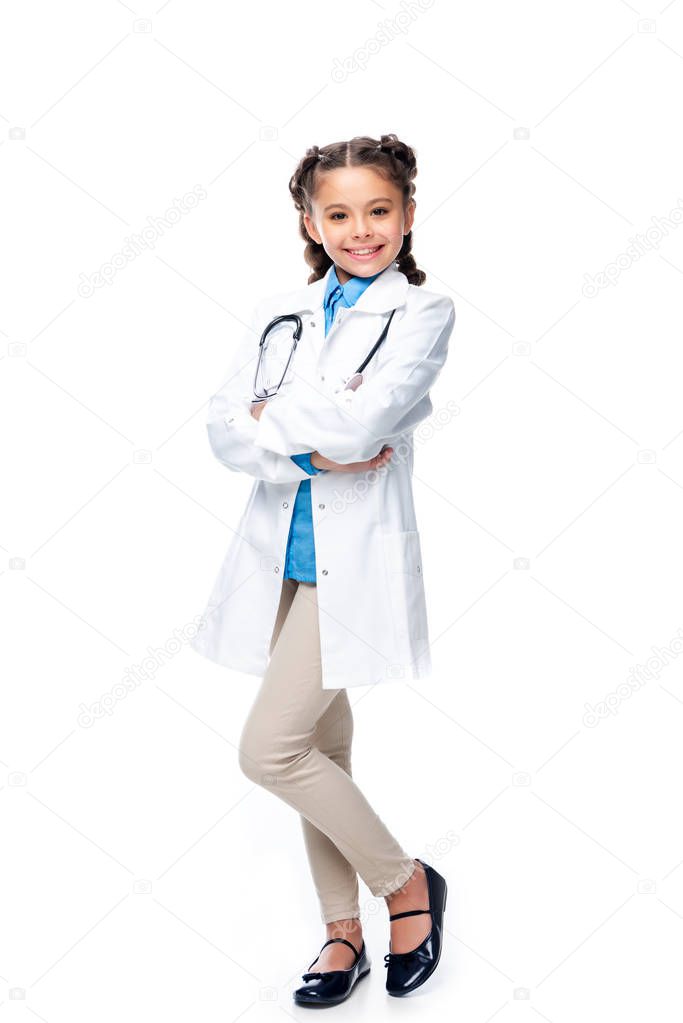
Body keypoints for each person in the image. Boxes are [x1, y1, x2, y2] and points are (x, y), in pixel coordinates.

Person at [192, 134, 453, 1003]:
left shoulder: (421, 312)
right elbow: (225, 430)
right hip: (283, 559)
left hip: (354, 562)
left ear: (407, 215)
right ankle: (340, 933)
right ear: (309, 220)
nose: (360, 229)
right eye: (337, 213)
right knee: (320, 751)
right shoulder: (283, 312)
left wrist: (286, 416)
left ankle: (405, 883)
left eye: (379, 210)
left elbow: (363, 425)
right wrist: (303, 443)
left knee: (270, 751)